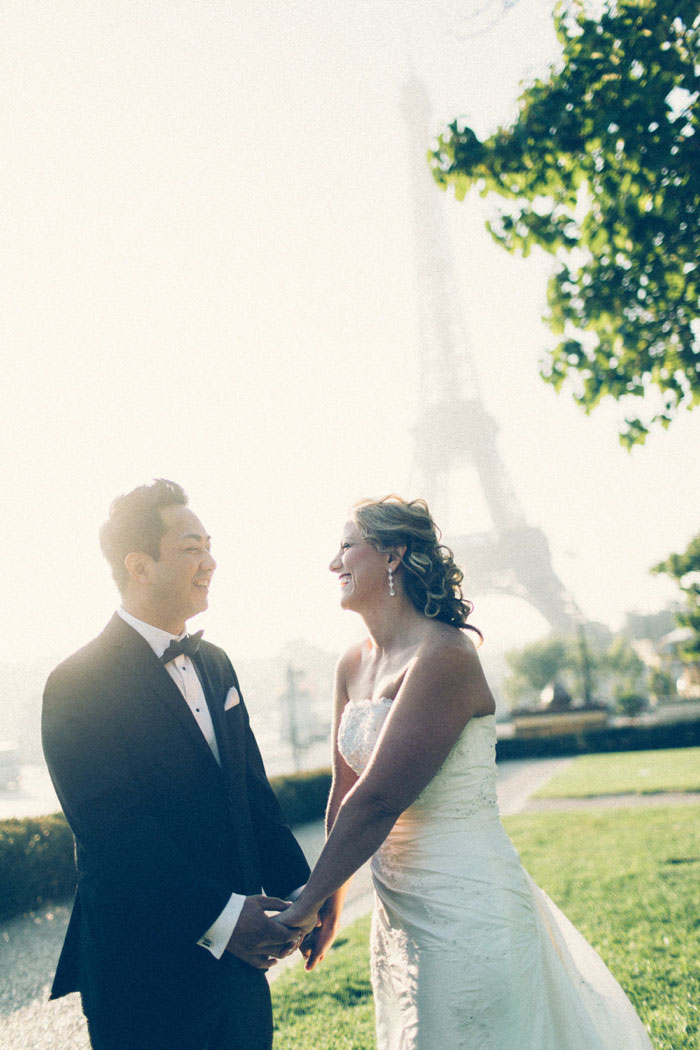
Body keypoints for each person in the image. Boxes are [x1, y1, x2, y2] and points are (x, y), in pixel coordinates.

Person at [282, 495, 653, 1050]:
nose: (333, 564)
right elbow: (345, 791)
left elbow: (379, 800)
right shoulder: (351, 663)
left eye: (345, 547)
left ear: (393, 554)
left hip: (468, 909)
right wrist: (331, 899)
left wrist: (302, 904)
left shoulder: (445, 654)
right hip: (401, 916)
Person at [42, 479, 311, 1050]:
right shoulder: (75, 684)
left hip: (239, 975)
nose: (211, 561)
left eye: (209, 545)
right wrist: (226, 918)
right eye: (191, 548)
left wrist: (305, 894)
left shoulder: (216, 663)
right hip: (141, 971)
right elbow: (115, 832)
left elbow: (252, 794)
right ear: (140, 566)